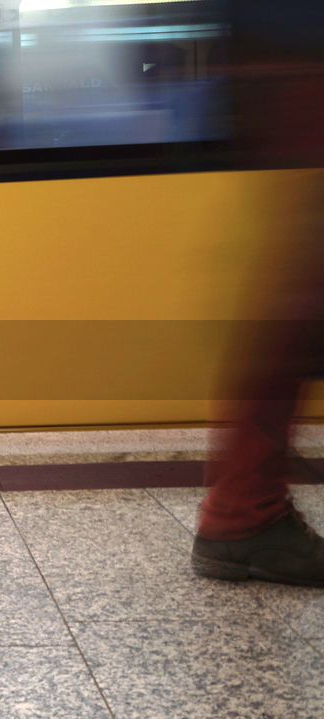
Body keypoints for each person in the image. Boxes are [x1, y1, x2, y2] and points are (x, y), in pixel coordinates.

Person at [190, 0, 324, 585]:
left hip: (285, 41)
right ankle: (243, 512)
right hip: (298, 45)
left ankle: (243, 509)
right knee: (303, 297)